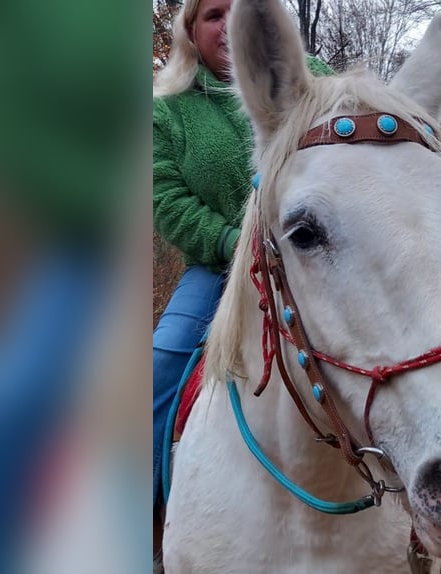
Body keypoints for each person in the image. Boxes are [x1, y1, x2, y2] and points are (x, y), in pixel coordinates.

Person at [152, 0, 333, 517]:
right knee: (161, 366)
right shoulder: (165, 109)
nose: (228, 24)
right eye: (213, 14)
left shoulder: (312, 76)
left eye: (238, 10)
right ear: (190, 30)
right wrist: (240, 243)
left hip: (320, 254)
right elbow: (167, 202)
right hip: (219, 270)